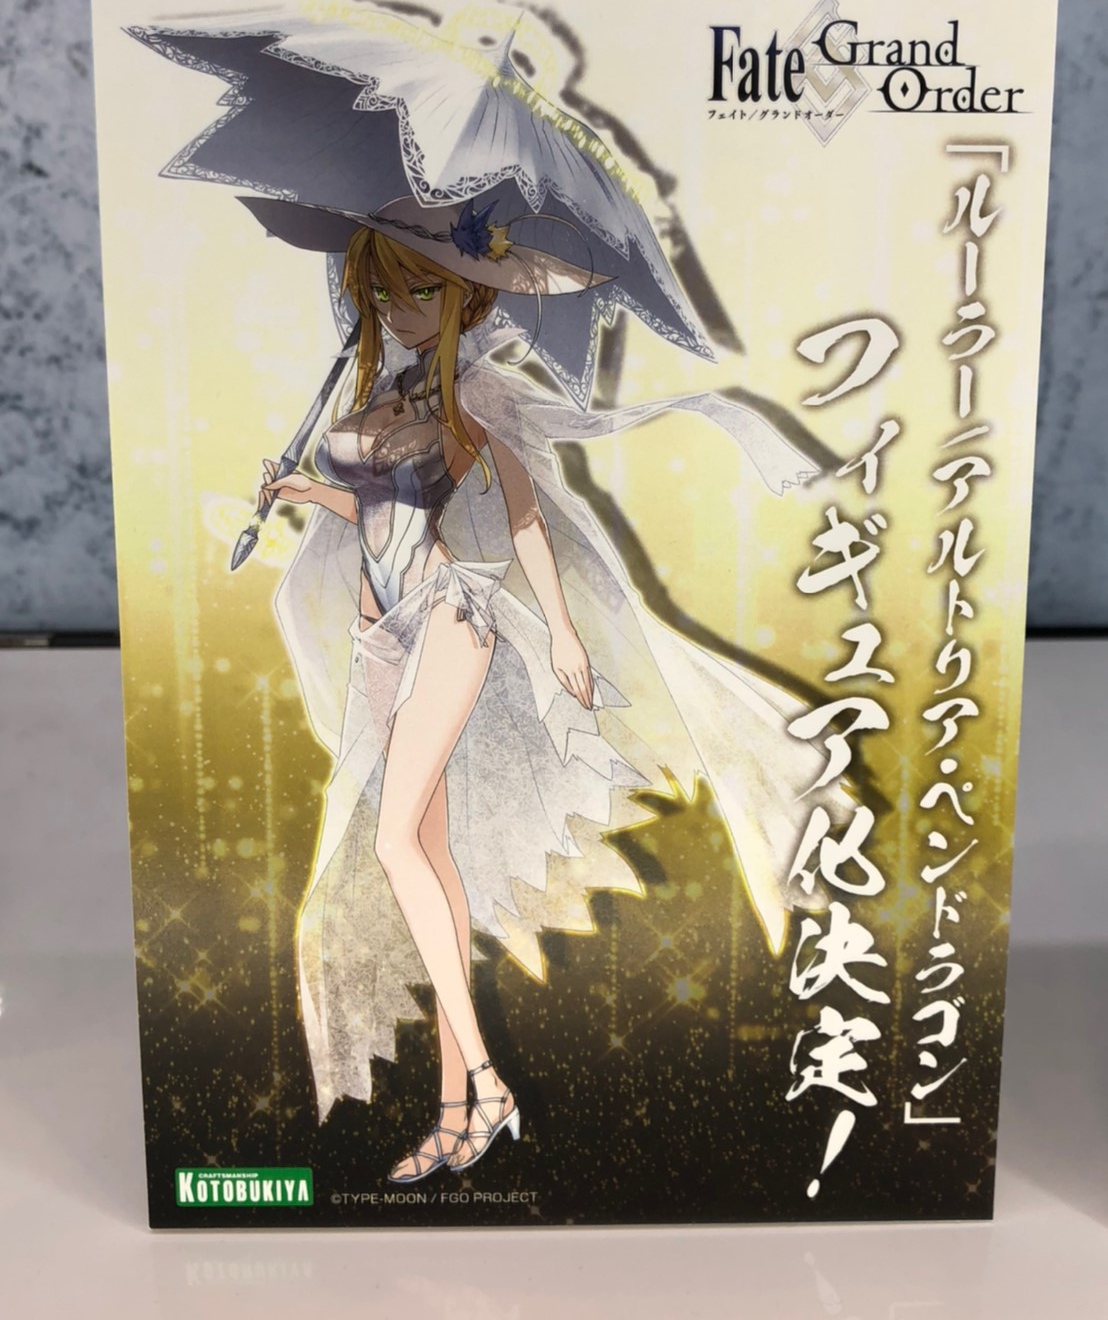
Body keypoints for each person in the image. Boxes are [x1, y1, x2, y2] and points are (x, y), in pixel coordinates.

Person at [253, 193, 844, 1185]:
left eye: (419, 289)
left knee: (393, 846)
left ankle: (486, 1080)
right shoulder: (385, 391)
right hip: (377, 637)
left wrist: (565, 635)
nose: (397, 308)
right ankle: (455, 1108)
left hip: (446, 620)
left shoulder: (474, 402)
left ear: (469, 297)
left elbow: (523, 521)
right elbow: (376, 512)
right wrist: (304, 490)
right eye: (381, 290)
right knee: (433, 859)